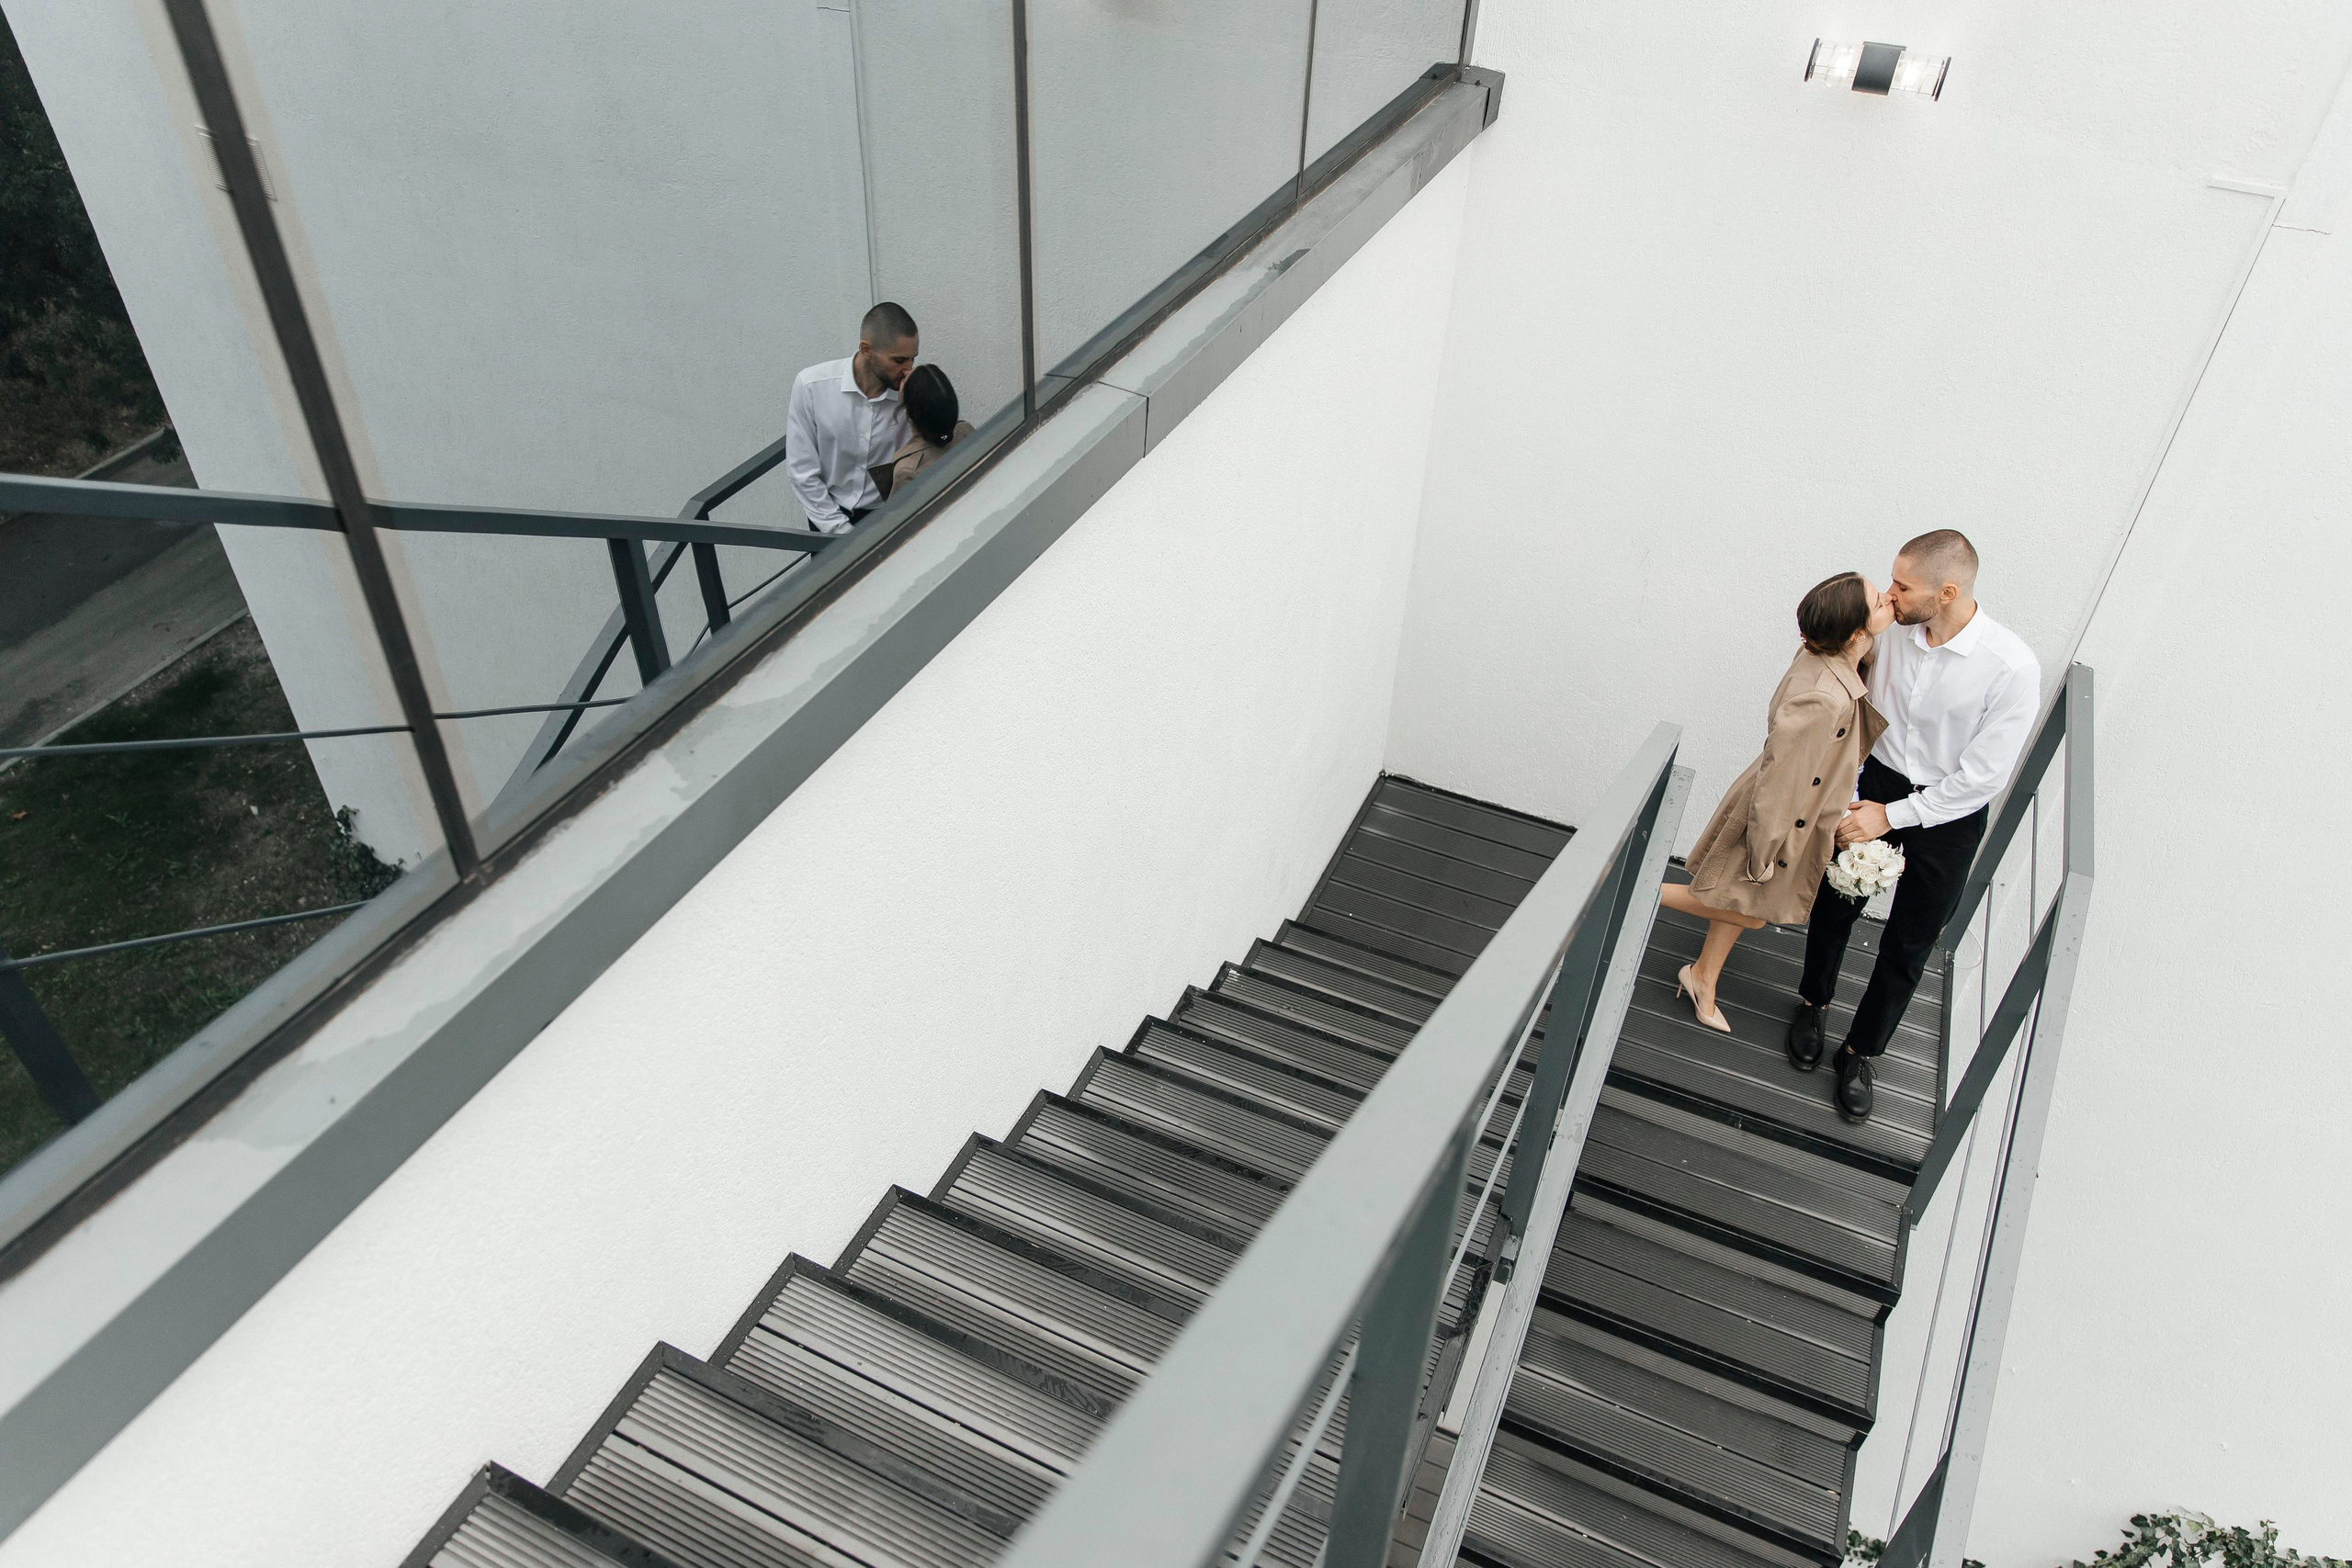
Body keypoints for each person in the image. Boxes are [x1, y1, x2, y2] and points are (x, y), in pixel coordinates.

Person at [1787, 529, 2041, 1123]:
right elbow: (1846, 694)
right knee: (1834, 903)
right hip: (1875, 780)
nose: (1890, 593)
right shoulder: (1890, 632)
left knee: (1910, 940)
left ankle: (1860, 1052)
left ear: (1946, 592)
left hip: (1949, 812)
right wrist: (1853, 792)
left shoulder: (2011, 667)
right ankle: (1812, 1003)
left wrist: (1893, 816)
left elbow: (1983, 777)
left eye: (1903, 585)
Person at [1662, 572, 1894, 1031]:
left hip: (1786, 811)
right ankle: (1628, 889)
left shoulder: (1826, 654)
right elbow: (1783, 780)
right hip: (1780, 818)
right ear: (1854, 633)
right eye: (1879, 601)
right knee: (1752, 913)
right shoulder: (1826, 698)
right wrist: (1763, 851)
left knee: (1740, 900)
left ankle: (1703, 977)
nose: (1889, 598)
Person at [784, 301, 920, 534]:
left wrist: (917, 406)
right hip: (826, 519)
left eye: (912, 359)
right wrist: (842, 534)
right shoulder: (812, 387)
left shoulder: (912, 392)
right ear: (867, 350)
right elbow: (802, 472)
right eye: (899, 361)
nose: (908, 369)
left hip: (889, 521)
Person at [869, 364, 974, 502]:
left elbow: (902, 513)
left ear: (910, 410)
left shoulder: (908, 470)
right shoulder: (965, 431)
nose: (906, 370)